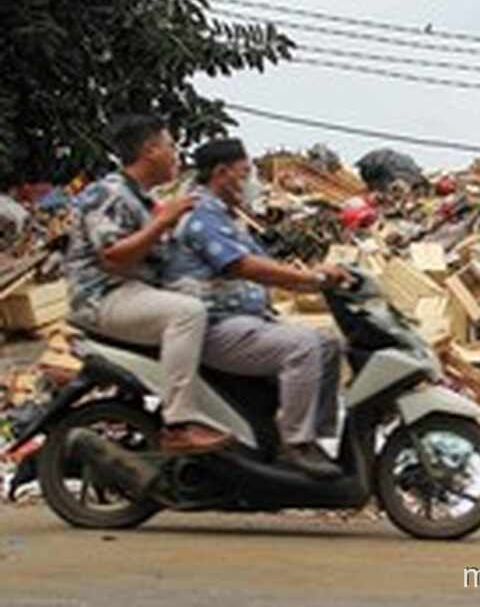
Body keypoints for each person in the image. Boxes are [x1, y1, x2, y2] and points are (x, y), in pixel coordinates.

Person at [163, 138, 351, 479]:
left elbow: (266, 263)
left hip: (245, 322)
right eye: (245, 172)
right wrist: (308, 279)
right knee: (303, 348)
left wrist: (317, 275)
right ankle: (295, 445)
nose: (251, 181)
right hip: (215, 326)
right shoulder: (200, 216)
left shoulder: (226, 217)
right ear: (221, 173)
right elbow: (243, 266)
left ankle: (314, 439)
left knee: (328, 345)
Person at [64, 115, 232, 454]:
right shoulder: (108, 193)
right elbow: (113, 256)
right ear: (150, 150)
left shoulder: (141, 198)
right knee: (187, 313)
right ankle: (179, 425)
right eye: (171, 146)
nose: (176, 155)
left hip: (134, 292)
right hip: (104, 296)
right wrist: (163, 222)